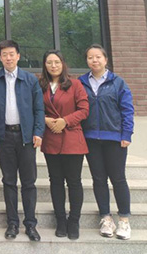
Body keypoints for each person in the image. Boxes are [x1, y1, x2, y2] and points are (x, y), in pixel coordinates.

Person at [0, 39, 44, 242]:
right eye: (4, 55)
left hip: (26, 136)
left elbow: (39, 108)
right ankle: (12, 223)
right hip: (5, 136)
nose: (8, 58)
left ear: (18, 56)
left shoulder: (30, 79)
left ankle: (31, 224)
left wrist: (38, 132)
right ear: (0, 58)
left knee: (28, 182)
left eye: (12, 54)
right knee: (9, 181)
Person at [78, 44, 134, 240]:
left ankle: (124, 220)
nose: (94, 60)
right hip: (91, 138)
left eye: (98, 57)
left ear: (105, 60)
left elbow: (127, 110)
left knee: (118, 179)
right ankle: (106, 218)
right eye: (90, 57)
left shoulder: (118, 83)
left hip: (114, 138)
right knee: (99, 179)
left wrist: (126, 134)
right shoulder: (81, 82)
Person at [39, 50, 89, 240]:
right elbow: (35, 108)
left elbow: (84, 110)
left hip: (72, 139)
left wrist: (65, 121)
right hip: (51, 138)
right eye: (49, 62)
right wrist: (45, 119)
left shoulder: (75, 84)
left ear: (63, 64)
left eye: (57, 62)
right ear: (44, 65)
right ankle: (60, 220)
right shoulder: (40, 85)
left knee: (74, 182)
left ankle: (74, 220)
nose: (53, 66)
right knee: (56, 181)